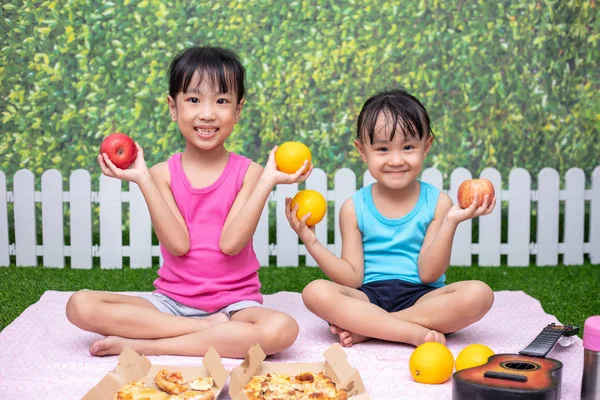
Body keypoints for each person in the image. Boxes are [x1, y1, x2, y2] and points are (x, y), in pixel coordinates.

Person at [66, 46, 312, 358]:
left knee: (282, 329)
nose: (207, 113)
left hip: (235, 305)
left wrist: (267, 182)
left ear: (237, 110)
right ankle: (205, 331)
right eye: (193, 100)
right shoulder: (159, 174)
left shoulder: (251, 173)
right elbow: (178, 244)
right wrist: (143, 180)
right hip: (170, 302)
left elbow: (231, 244)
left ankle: (146, 344)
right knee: (80, 305)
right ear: (173, 107)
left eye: (221, 101)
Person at [286, 89, 496, 348]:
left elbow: (429, 273)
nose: (396, 160)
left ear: (426, 146)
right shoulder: (354, 207)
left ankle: (375, 328)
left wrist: (450, 222)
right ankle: (409, 331)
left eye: (408, 147)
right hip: (368, 298)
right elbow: (352, 279)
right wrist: (311, 241)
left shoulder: (439, 203)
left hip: (423, 299)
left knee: (479, 294)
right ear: (363, 151)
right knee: (314, 292)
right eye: (383, 149)